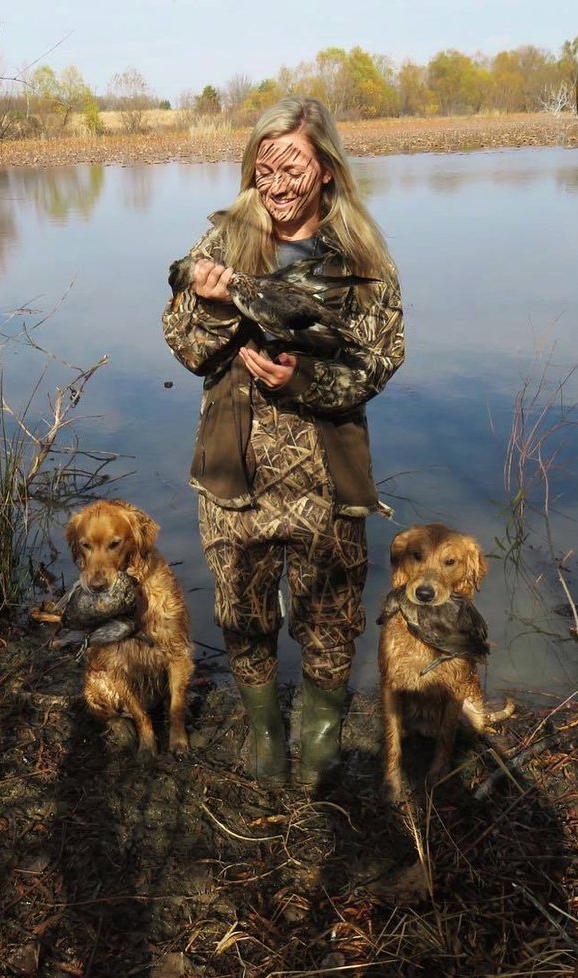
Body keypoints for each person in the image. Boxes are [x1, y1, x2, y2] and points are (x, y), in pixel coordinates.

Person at [162, 96, 404, 787]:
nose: (277, 182)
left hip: (326, 480)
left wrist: (304, 382)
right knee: (243, 619)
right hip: (232, 474)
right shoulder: (219, 244)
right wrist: (210, 310)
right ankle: (268, 741)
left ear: (326, 169)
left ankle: (320, 753)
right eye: (264, 167)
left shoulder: (361, 257)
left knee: (330, 625)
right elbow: (182, 346)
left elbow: (382, 359)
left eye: (292, 165)